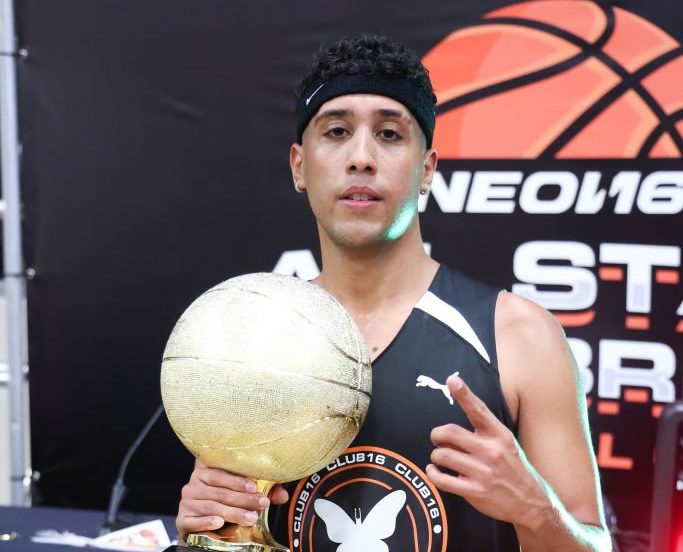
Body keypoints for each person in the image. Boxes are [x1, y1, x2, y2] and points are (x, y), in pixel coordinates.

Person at [176, 34, 612, 551]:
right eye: (336, 131)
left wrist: (534, 509)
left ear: (426, 168)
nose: (361, 157)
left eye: (389, 134)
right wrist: (208, 528)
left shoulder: (517, 335)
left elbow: (595, 544)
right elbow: (234, 527)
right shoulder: (254, 341)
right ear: (299, 165)